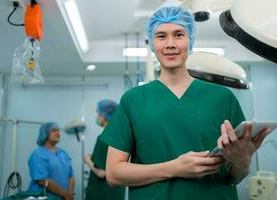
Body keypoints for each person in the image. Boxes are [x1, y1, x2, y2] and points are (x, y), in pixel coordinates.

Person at [100, 6, 272, 200]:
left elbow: (235, 177)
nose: (170, 43)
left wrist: (242, 163)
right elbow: (114, 174)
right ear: (152, 43)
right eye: (161, 36)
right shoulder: (133, 100)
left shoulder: (223, 98)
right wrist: (175, 168)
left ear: (190, 40)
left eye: (179, 34)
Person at [84, 99, 125, 200]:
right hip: (116, 193)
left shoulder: (104, 137)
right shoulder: (120, 136)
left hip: (101, 193)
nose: (97, 117)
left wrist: (87, 160)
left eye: (98, 114)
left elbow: (101, 172)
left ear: (104, 115)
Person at [28, 122, 74, 200]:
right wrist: (65, 194)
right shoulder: (38, 154)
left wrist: (69, 194)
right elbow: (42, 180)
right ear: (44, 134)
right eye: (53, 131)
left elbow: (71, 176)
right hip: (44, 197)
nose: (57, 133)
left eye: (58, 130)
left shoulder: (63, 154)